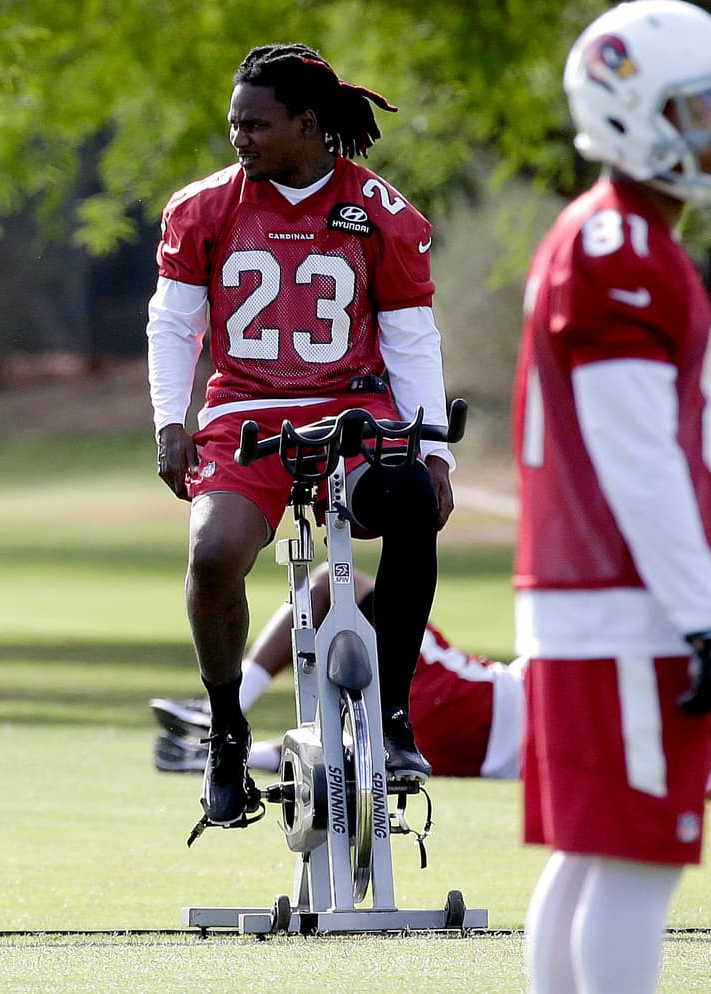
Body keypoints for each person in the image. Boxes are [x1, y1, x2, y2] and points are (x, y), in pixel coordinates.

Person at [146, 43, 456, 830]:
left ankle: (391, 717)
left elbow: (410, 335)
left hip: (354, 406)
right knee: (213, 554)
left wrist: (433, 450)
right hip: (245, 409)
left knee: (412, 502)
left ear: (307, 125)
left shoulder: (379, 210)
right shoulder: (204, 207)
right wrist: (169, 419)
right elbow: (175, 323)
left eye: (255, 124)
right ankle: (225, 728)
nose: (239, 138)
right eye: (233, 124)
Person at [512, 3, 711, 991]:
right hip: (627, 598)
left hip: (586, 592)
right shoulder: (621, 249)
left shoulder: (604, 236)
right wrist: (700, 612)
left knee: (590, 856)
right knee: (636, 859)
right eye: (695, 110)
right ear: (635, 112)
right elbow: (636, 454)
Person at [149, 566, 525, 780]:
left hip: (470, 698)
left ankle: (224, 710)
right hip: (457, 751)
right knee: (351, 753)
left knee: (333, 582)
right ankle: (242, 759)